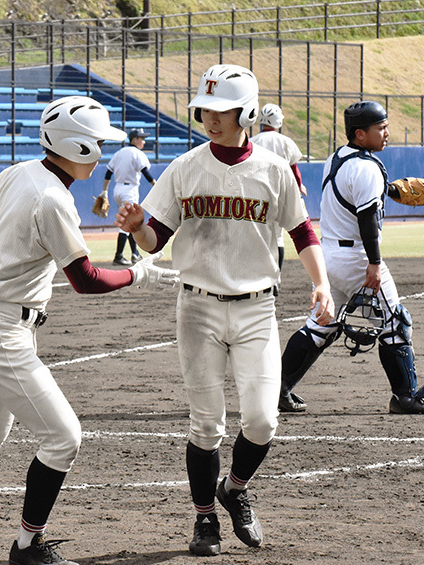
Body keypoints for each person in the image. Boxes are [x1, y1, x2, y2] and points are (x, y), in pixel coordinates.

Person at [0, 95, 179, 565]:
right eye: (95, 142)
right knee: (63, 437)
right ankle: (28, 546)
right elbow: (86, 280)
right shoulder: (52, 198)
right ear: (77, 145)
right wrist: (140, 273)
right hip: (0, 330)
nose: (100, 151)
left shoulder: (18, 172)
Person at [115, 64, 335, 556]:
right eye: (205, 109)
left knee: (262, 420)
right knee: (206, 424)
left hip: (258, 308)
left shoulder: (274, 170)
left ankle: (233, 490)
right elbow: (156, 241)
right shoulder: (187, 167)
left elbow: (302, 231)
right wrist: (136, 229)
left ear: (248, 112)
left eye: (222, 110)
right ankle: (204, 520)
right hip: (198, 308)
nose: (211, 118)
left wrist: (321, 284)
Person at [278, 100, 424, 416]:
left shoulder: (337, 158)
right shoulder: (367, 167)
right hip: (357, 257)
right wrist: (374, 263)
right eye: (380, 128)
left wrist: (389, 191)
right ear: (360, 133)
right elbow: (367, 218)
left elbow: (354, 196)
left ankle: (278, 389)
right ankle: (405, 396)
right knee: (395, 322)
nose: (387, 133)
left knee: (321, 325)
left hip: (330, 256)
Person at [250, 103, 308, 294]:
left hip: (255, 195)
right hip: (280, 194)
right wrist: (299, 188)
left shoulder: (252, 141)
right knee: (278, 237)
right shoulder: (285, 142)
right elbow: (294, 170)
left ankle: (257, 276)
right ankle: (275, 278)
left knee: (257, 236)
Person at [102, 127, 156, 266]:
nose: (143, 141)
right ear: (135, 139)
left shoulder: (119, 153)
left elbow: (108, 172)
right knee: (128, 223)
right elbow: (146, 173)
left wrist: (104, 192)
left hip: (117, 189)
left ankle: (135, 254)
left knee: (131, 222)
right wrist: (155, 185)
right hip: (130, 190)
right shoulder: (137, 153)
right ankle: (119, 255)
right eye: (142, 138)